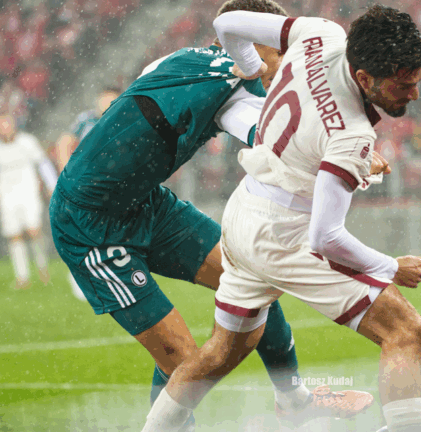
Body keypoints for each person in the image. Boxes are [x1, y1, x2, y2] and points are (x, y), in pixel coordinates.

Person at [49, 0, 379, 429]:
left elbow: (264, 128)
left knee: (253, 280)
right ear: (257, 41)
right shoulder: (238, 87)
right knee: (184, 363)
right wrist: (348, 151)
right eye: (283, 49)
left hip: (147, 203)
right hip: (91, 225)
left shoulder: (183, 60)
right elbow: (276, 138)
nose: (290, 62)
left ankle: (294, 401)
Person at [143, 5, 421, 432]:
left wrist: (249, 68)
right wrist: (391, 267)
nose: (414, 94)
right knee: (404, 330)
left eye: (417, 81)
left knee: (221, 353)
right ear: (363, 78)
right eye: (404, 84)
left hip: (244, 212)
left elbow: (226, 22)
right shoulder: (352, 133)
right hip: (285, 235)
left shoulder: (321, 33)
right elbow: (326, 238)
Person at [53, 86, 121, 301]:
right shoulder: (86, 120)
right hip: (85, 183)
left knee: (109, 231)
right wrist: (66, 173)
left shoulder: (124, 119)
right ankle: (80, 274)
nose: (106, 105)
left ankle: (107, 276)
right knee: (84, 229)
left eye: (111, 100)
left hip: (112, 183)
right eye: (103, 100)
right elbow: (63, 142)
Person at [0, 112, 58, 290]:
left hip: (28, 193)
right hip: (6, 197)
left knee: (34, 231)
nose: (4, 128)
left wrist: (52, 185)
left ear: (14, 124)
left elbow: (43, 163)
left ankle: (43, 270)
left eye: (7, 123)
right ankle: (22, 277)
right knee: (14, 236)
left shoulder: (27, 142)